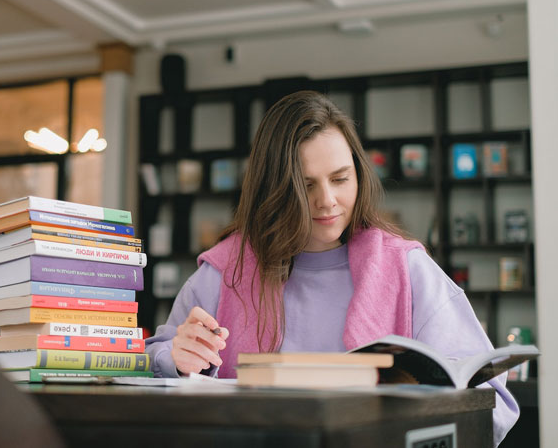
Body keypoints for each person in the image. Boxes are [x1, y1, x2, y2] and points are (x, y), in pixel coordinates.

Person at [145, 90, 518, 445]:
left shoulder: (408, 269)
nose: (327, 201)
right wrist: (174, 359)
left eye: (341, 179)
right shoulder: (226, 271)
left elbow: (494, 402)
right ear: (272, 189)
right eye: (305, 186)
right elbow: (147, 361)